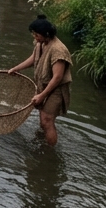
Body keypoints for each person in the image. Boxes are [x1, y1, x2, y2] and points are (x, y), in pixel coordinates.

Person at [8, 16, 72, 145]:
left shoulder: (58, 50)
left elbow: (57, 77)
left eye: (36, 34)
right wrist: (16, 68)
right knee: (44, 119)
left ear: (46, 34)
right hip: (44, 85)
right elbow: (34, 58)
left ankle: (49, 153)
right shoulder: (41, 42)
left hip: (56, 89)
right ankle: (43, 142)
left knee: (47, 120)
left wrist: (42, 95)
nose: (34, 37)